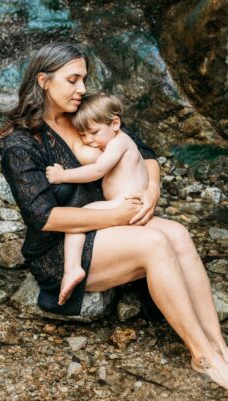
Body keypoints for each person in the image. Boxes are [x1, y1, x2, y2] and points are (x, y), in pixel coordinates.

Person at [0, 42, 228, 394]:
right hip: (61, 246)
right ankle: (203, 357)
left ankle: (221, 348)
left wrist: (151, 190)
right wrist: (117, 216)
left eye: (84, 80)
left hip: (111, 220)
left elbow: (143, 149)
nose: (82, 89)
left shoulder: (86, 113)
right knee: (155, 243)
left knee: (180, 234)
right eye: (73, 80)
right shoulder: (22, 143)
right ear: (44, 81)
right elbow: (44, 218)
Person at [45, 93, 150, 306]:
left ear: (115, 123)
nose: (89, 140)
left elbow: (97, 169)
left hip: (125, 202)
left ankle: (72, 267)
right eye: (83, 135)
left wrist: (63, 175)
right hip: (128, 202)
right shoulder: (118, 140)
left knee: (78, 220)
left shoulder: (119, 143)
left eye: (93, 133)